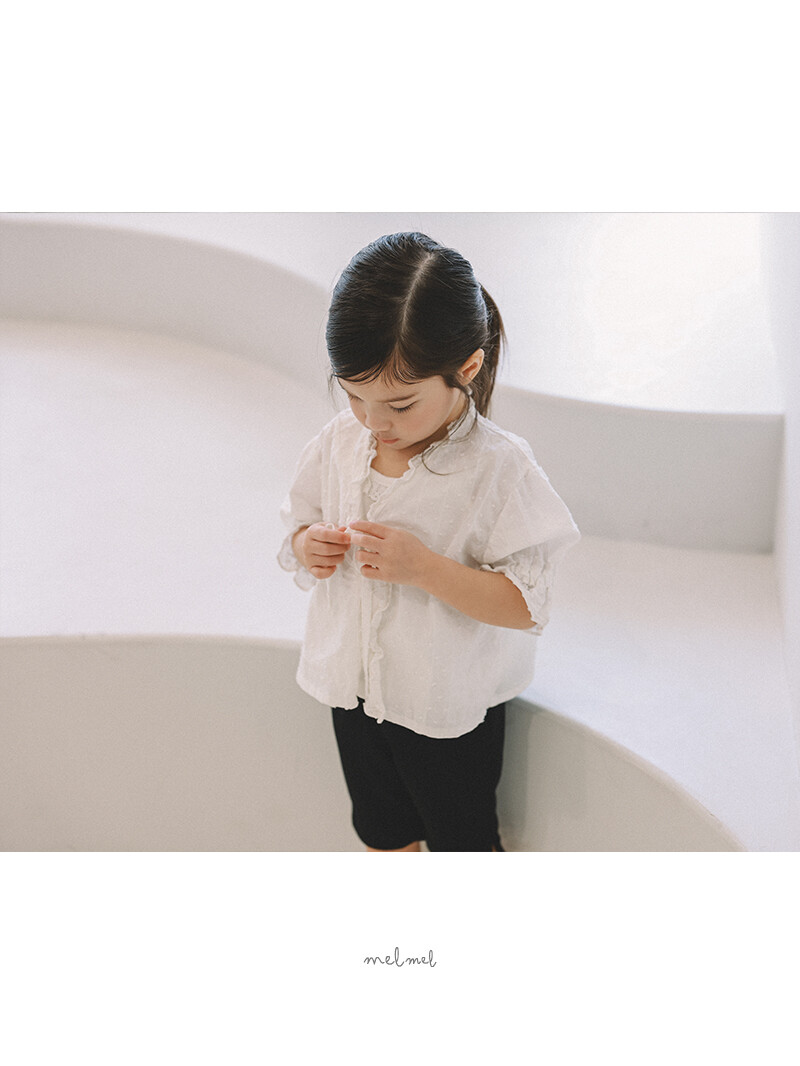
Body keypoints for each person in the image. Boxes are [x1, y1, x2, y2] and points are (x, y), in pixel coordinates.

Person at [278, 232, 580, 852]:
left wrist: (424, 569)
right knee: (381, 831)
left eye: (399, 403)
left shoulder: (499, 470)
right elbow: (298, 523)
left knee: (462, 842)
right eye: (354, 395)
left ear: (466, 368)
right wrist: (310, 545)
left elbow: (527, 605)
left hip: (443, 704)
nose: (374, 421)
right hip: (353, 687)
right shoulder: (341, 441)